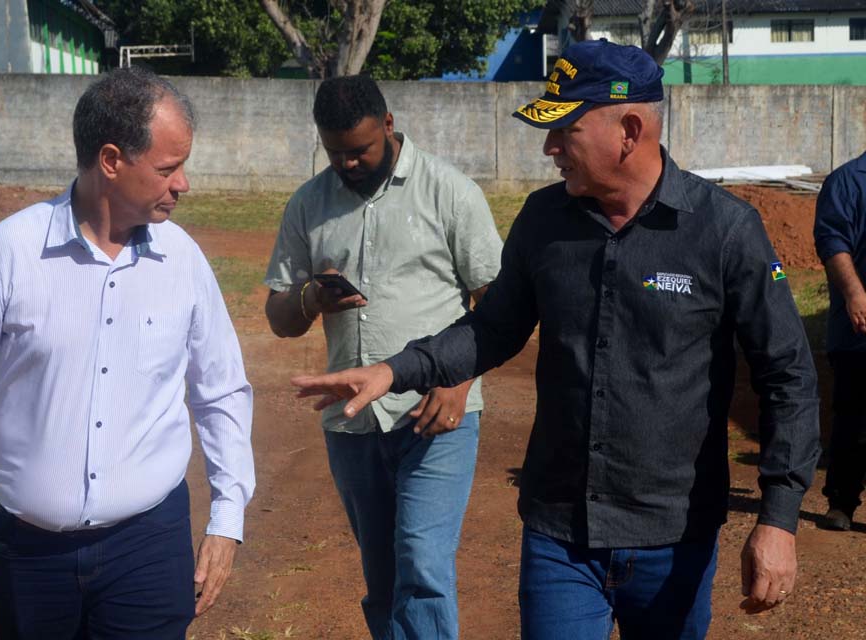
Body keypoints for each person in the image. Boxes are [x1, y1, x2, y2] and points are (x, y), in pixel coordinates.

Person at [291, 41, 820, 639]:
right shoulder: (544, 221)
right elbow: (491, 329)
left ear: (628, 129)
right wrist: (395, 371)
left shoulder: (725, 231)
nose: (548, 149)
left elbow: (787, 376)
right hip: (558, 533)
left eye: (563, 130)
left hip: (673, 537)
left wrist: (778, 517)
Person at [0, 67, 255, 639]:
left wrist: (227, 514)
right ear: (111, 161)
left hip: (149, 542)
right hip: (28, 554)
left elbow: (220, 390)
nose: (184, 184)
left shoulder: (184, 262)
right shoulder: (5, 257)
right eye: (168, 169)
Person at [264, 75, 502, 639]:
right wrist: (313, 297)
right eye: (336, 152)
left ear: (389, 126)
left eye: (360, 150)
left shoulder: (450, 192)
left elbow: (499, 305)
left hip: (435, 414)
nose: (347, 163)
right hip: (352, 423)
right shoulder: (308, 204)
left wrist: (459, 382)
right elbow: (279, 315)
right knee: (383, 572)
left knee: (421, 563)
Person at [814, 151, 866, 531]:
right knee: (854, 417)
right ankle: (842, 503)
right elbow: (832, 241)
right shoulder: (847, 181)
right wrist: (853, 293)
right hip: (858, 329)